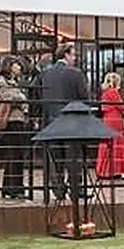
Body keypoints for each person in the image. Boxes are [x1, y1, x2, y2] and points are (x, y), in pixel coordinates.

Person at [37, 43, 93, 201]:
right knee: (73, 157)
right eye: (74, 55)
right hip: (72, 122)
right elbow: (84, 96)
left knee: (55, 158)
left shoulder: (45, 73)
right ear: (66, 55)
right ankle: (76, 189)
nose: (75, 58)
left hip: (51, 121)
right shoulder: (76, 74)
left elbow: (38, 95)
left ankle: (58, 189)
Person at [0, 59, 30, 199]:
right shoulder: (2, 82)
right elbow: (11, 98)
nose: (18, 67)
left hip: (18, 119)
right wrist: (21, 98)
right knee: (15, 153)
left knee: (14, 153)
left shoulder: (15, 82)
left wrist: (21, 99)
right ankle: (15, 188)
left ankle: (9, 187)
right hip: (11, 121)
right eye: (16, 64)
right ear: (9, 66)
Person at [95, 72, 124, 179]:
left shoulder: (105, 92)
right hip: (115, 119)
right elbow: (120, 105)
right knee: (116, 142)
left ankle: (105, 170)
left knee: (107, 143)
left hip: (108, 118)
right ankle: (116, 169)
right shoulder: (113, 92)